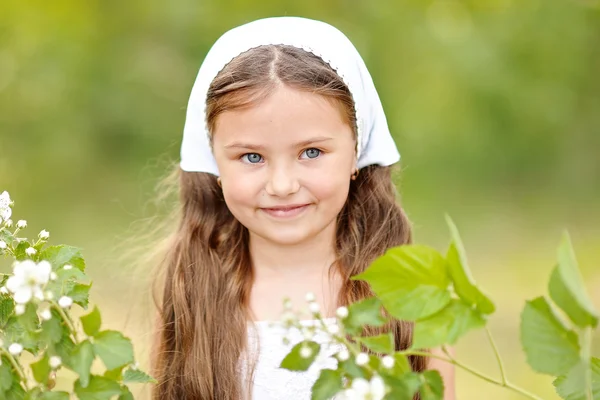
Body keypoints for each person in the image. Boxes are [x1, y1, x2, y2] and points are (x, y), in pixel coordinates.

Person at [151, 16, 455, 400]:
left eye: (311, 152)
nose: (282, 185)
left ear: (356, 153)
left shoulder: (415, 300)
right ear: (214, 163)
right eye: (250, 156)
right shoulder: (195, 289)